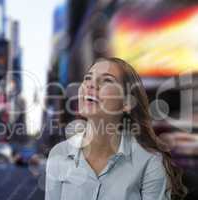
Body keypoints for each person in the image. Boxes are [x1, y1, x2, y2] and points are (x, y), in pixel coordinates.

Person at [45, 57, 187, 200]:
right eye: (88, 78)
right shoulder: (59, 155)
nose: (90, 85)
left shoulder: (150, 162)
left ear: (126, 103)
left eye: (107, 80)